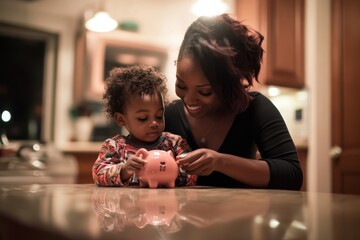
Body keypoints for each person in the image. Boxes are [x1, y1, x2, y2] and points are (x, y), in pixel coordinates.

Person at [165, 14, 303, 190]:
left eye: (205, 91)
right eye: (181, 85)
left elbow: (292, 175)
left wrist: (220, 162)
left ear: (228, 82)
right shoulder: (166, 115)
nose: (189, 99)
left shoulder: (254, 108)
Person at [92, 65, 197, 187]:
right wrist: (124, 170)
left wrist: (172, 170)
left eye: (159, 116)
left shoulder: (174, 144)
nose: (154, 123)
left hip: (166, 204)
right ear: (121, 119)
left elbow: (193, 173)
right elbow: (98, 173)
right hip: (129, 205)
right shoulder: (114, 147)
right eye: (143, 118)